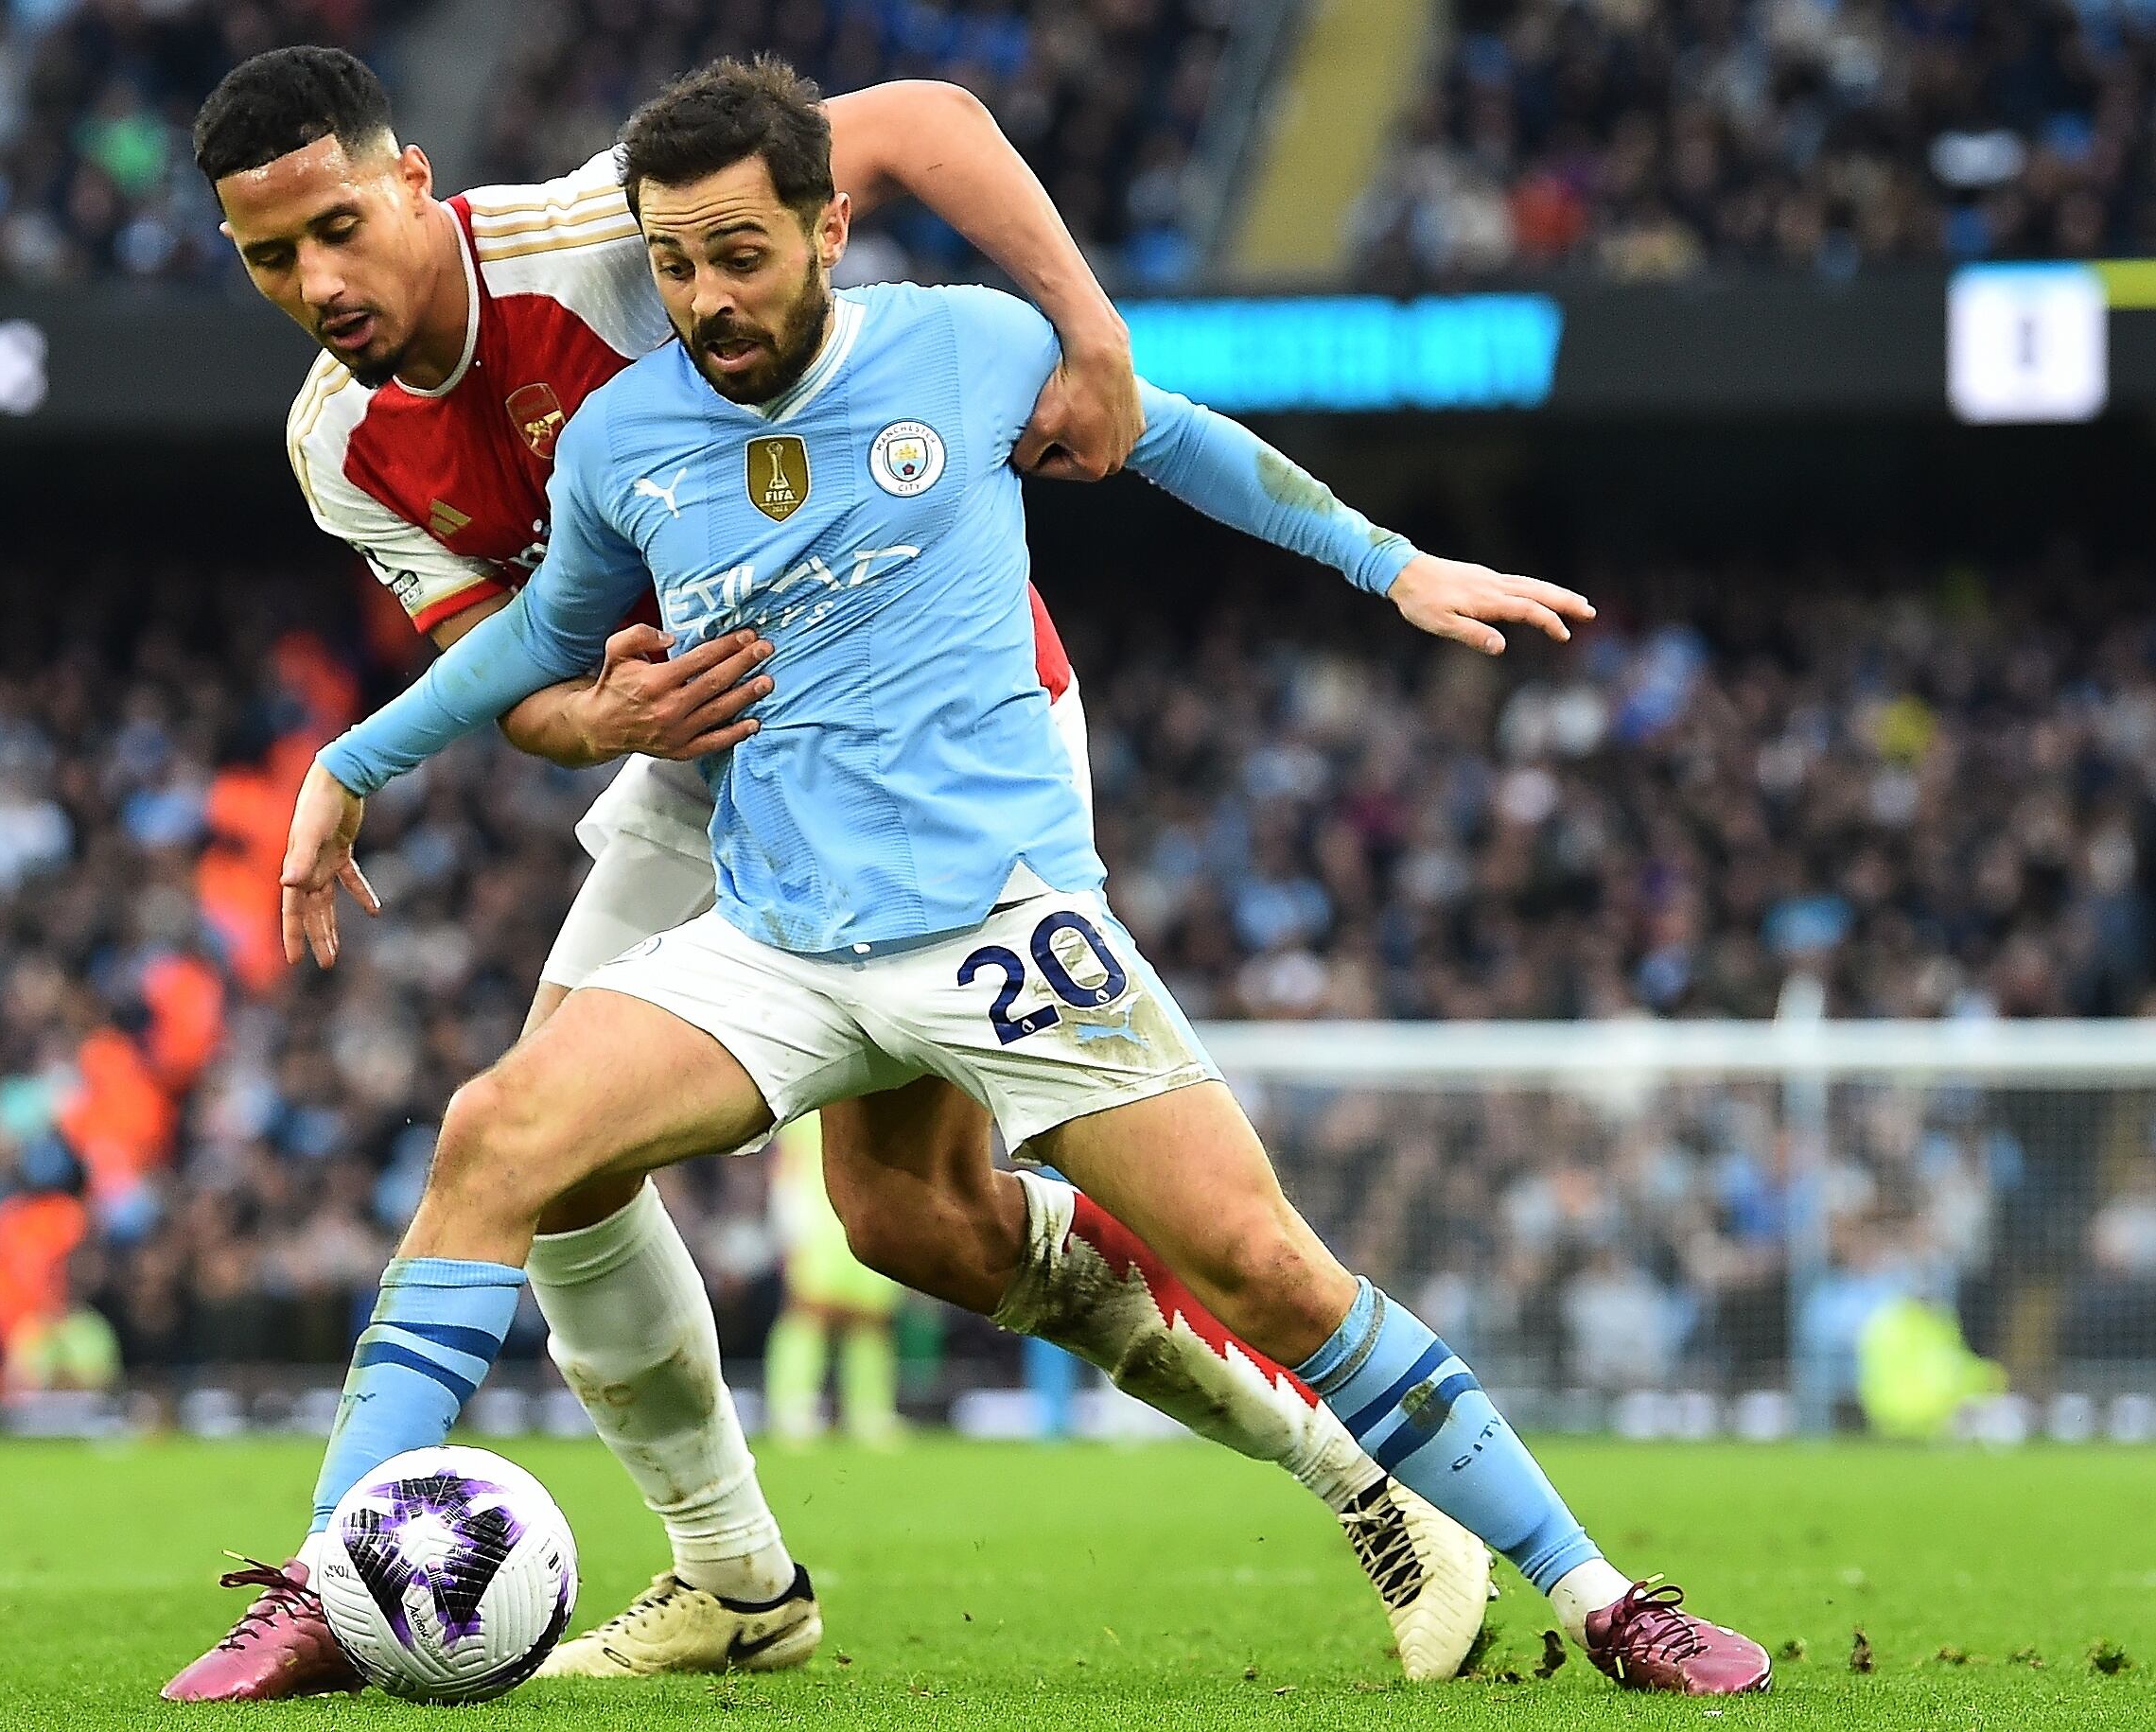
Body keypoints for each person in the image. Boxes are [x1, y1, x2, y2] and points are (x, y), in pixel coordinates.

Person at [275, 57, 1773, 1696]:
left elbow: (1165, 429)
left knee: (1245, 1260)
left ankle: (1595, 1592)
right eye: (678, 266)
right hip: (772, 914)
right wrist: (352, 767)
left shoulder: (961, 345)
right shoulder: (605, 437)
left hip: (992, 909)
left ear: (826, 230)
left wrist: (1386, 561)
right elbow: (535, 650)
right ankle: (351, 1581)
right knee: (506, 1138)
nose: (701, 298)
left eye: (738, 256)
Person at [762, 1116, 904, 1446]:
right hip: (817, 1222)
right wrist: (787, 1224)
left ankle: (870, 1414)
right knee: (808, 1313)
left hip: (872, 1216)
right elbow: (787, 1162)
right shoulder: (809, 1109)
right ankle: (792, 1409)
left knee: (872, 1320)